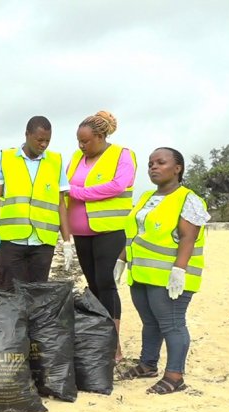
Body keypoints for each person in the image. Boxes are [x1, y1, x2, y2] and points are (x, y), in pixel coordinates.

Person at [116, 147, 209, 394]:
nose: (153, 167)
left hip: (169, 278)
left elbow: (189, 238)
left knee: (172, 324)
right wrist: (122, 261)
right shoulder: (147, 197)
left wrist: (179, 271)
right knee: (150, 322)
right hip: (142, 274)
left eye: (160, 163)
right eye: (150, 164)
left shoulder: (188, 199)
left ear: (177, 168)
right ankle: (148, 365)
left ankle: (175, 376)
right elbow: (137, 234)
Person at [66, 110, 137, 362]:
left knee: (107, 284)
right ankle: (98, 340)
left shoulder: (122, 155)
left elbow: (118, 185)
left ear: (100, 136)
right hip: (81, 233)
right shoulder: (76, 157)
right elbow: (65, 187)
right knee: (93, 286)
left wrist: (78, 192)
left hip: (109, 231)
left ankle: (114, 345)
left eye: (85, 141)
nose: (81, 145)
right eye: (78, 141)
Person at [0, 116, 71, 291]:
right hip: (10, 240)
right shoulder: (5, 157)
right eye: (40, 140)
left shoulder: (56, 160)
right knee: (9, 291)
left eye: (47, 140)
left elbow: (60, 203)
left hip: (43, 242)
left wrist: (67, 242)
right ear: (27, 135)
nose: (44, 145)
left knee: (37, 295)